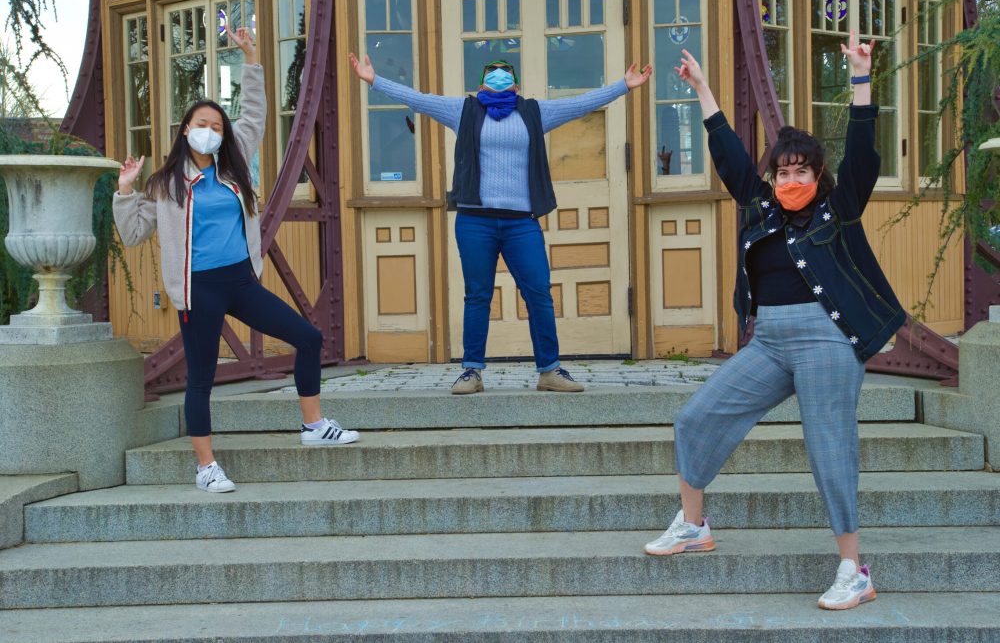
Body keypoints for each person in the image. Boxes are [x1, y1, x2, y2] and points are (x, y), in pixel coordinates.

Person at [642, 31, 905, 612]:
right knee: (696, 417)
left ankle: (852, 568)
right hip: (770, 344)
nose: (790, 182)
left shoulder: (838, 210)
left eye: (801, 172)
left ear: (817, 176)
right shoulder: (760, 207)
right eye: (782, 173)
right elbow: (728, 155)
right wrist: (705, 91)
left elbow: (864, 154)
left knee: (828, 446)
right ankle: (693, 526)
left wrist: (862, 80)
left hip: (826, 342)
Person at [114, 26, 359, 494]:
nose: (209, 131)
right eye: (201, 124)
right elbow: (131, 233)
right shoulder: (166, 184)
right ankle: (206, 466)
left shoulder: (233, 165)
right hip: (197, 289)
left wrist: (251, 58)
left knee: (307, 337)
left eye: (216, 126)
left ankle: (313, 427)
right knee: (202, 377)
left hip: (240, 281)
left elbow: (255, 115)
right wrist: (125, 190)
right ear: (185, 130)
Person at [349, 53, 652, 394]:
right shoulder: (462, 111)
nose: (497, 80)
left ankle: (550, 370)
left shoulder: (534, 113)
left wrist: (623, 86)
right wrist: (374, 80)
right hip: (474, 220)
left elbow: (581, 104)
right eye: (491, 77)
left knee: (538, 292)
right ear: (479, 86)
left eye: (504, 76)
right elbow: (419, 99)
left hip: (521, 222)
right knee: (477, 295)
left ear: (517, 85)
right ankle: (472, 372)